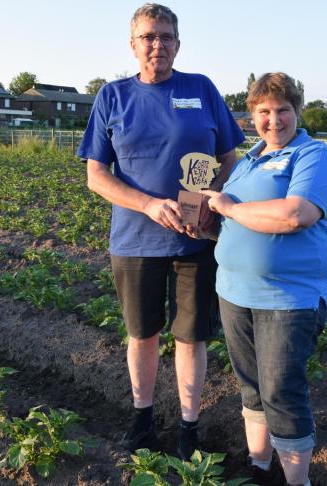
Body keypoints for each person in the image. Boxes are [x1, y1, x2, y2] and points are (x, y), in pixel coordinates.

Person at [77, 3, 244, 460]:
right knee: (143, 333)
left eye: (166, 36)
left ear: (178, 44)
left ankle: (190, 425)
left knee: (191, 336)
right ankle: (142, 417)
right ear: (133, 44)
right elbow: (96, 174)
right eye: (149, 37)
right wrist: (149, 204)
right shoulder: (113, 96)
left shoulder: (202, 89)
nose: (158, 44)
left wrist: (213, 197)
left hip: (196, 238)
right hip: (134, 240)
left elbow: (230, 156)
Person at [201, 73, 327, 486]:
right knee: (251, 388)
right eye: (264, 111)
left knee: (281, 391)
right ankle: (258, 467)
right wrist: (209, 224)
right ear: (252, 116)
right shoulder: (247, 160)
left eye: (283, 110)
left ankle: (297, 481)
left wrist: (227, 207)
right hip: (233, 291)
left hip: (288, 298)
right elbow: (238, 220)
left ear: (297, 112)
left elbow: (295, 215)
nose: (274, 120)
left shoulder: (312, 154)